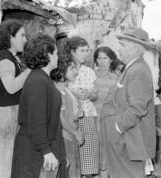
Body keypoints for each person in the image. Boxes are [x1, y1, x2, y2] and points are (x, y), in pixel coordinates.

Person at [100, 27, 156, 178]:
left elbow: (137, 108)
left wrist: (117, 128)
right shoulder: (132, 68)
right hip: (128, 138)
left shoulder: (138, 70)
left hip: (130, 140)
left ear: (136, 48)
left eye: (123, 46)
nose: (119, 50)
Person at [11, 34, 67, 178]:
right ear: (48, 55)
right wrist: (46, 151)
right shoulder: (38, 81)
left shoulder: (42, 78)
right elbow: (37, 119)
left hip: (43, 144)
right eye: (55, 53)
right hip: (35, 149)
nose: (57, 56)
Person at [0, 19, 30, 178]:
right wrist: (29, 71)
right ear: (10, 37)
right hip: (6, 115)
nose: (25, 40)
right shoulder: (5, 59)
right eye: (22, 36)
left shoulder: (10, 58)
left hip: (9, 113)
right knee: (5, 165)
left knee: (6, 164)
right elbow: (10, 88)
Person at [65, 36, 100, 178]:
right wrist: (74, 92)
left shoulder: (89, 71)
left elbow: (95, 94)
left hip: (87, 114)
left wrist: (89, 94)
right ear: (73, 52)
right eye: (82, 50)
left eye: (87, 50)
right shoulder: (64, 68)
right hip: (69, 115)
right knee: (72, 155)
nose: (86, 53)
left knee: (89, 154)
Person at [51, 55, 84, 178]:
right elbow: (61, 118)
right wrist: (76, 132)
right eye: (72, 68)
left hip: (70, 135)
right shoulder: (59, 91)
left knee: (73, 168)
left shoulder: (66, 89)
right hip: (64, 137)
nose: (76, 71)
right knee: (69, 170)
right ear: (61, 71)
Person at [93, 46, 118, 178]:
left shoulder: (116, 79)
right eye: (99, 58)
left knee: (106, 152)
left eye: (105, 58)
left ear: (111, 60)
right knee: (93, 152)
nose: (102, 61)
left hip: (109, 120)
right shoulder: (90, 75)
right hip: (92, 119)